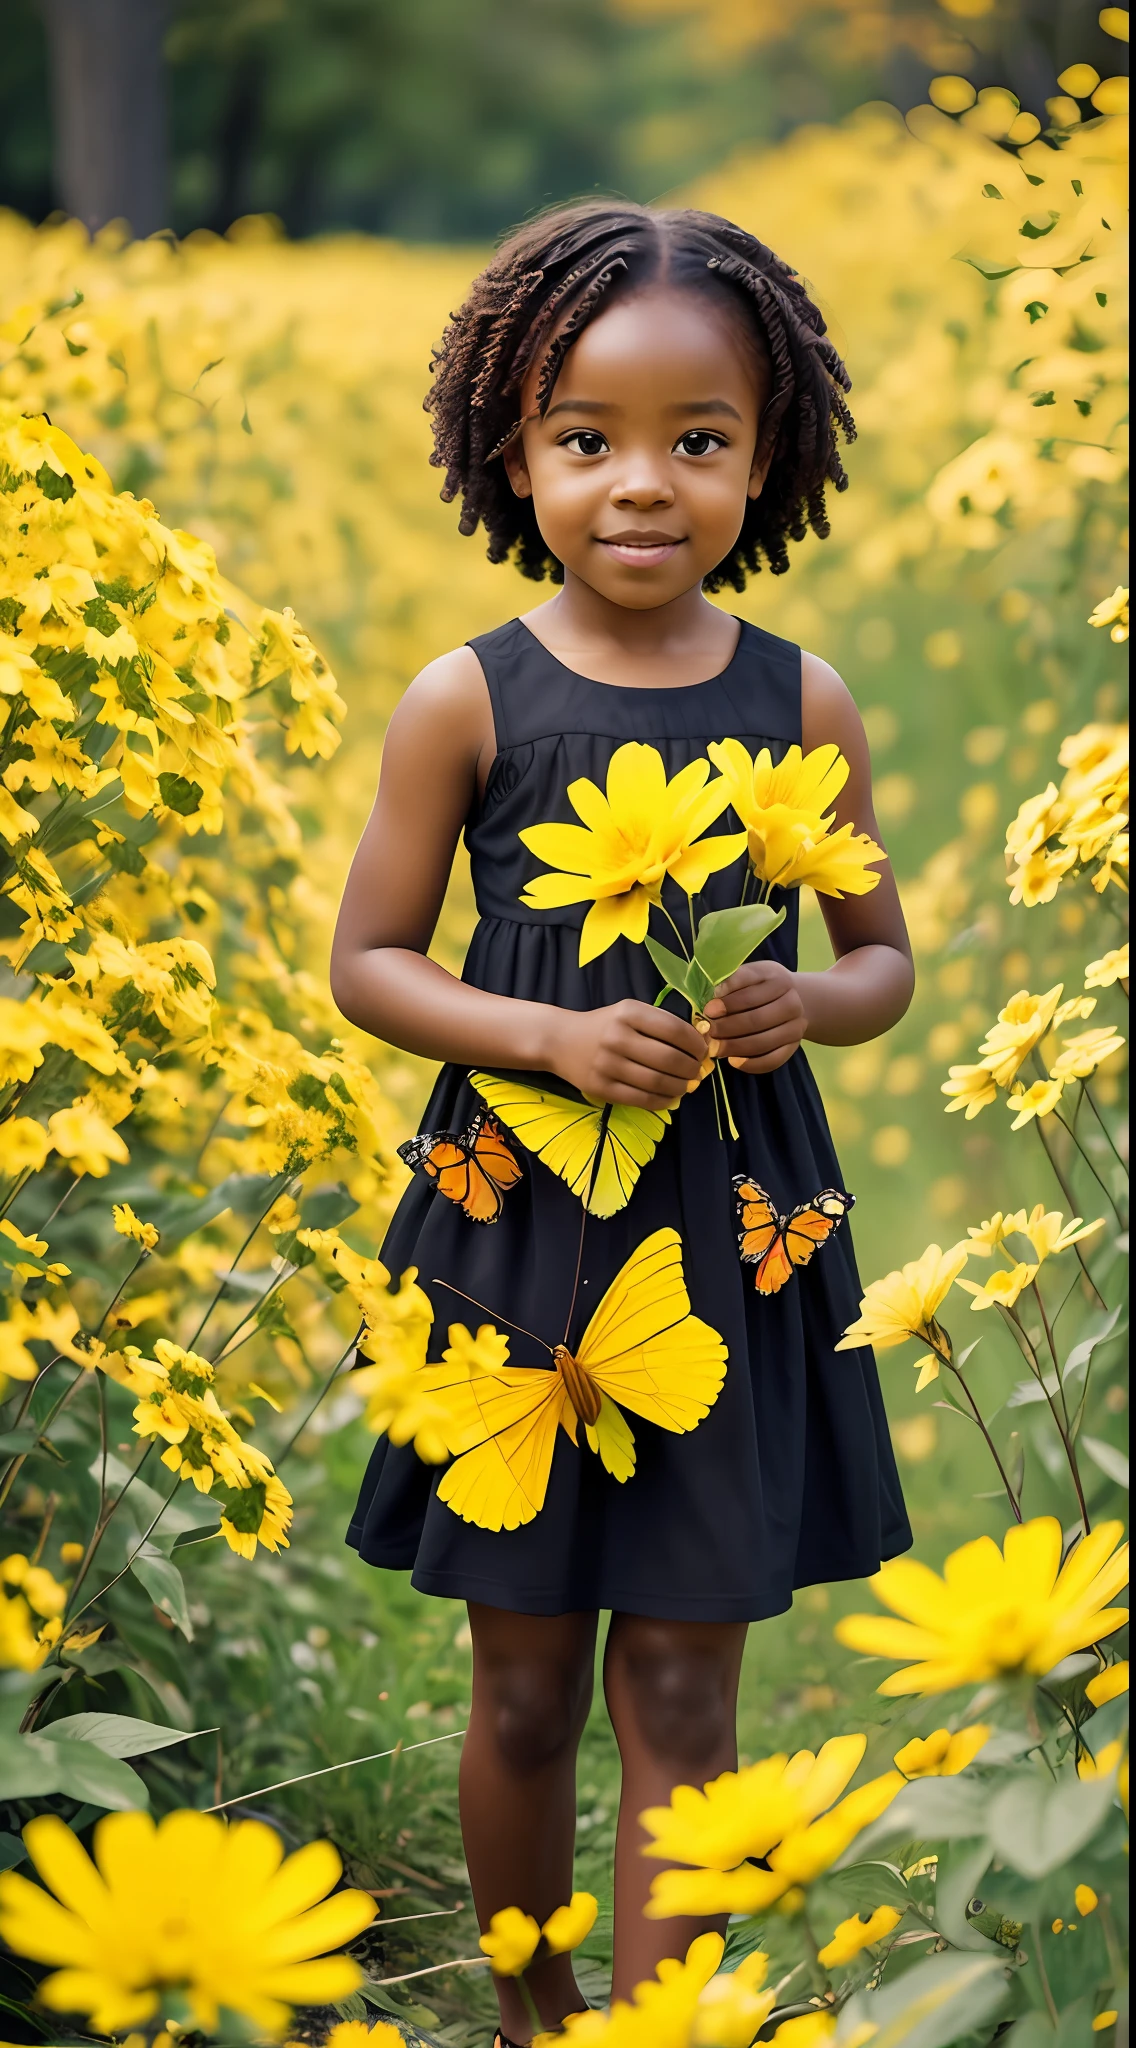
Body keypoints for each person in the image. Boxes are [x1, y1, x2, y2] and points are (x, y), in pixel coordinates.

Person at [331, 200, 914, 2046]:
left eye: (699, 441)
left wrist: (796, 1002)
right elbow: (368, 962)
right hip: (516, 1241)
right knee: (519, 1689)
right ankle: (532, 2016)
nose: (641, 486)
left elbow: (882, 961)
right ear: (516, 452)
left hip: (725, 1243)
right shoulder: (466, 701)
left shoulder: (798, 699)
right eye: (588, 441)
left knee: (684, 1691)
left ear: (771, 456)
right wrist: (540, 1035)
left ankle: (660, 2034)